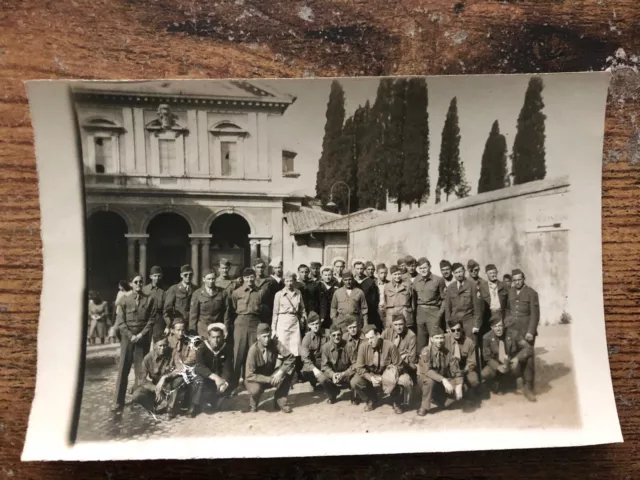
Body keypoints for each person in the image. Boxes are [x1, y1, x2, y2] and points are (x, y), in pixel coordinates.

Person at [112, 273, 157, 413]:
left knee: (141, 371)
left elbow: (151, 320)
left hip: (141, 339)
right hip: (128, 339)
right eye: (136, 282)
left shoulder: (149, 300)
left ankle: (138, 399)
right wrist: (131, 335)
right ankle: (118, 402)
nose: (139, 284)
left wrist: (141, 335)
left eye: (141, 282)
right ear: (131, 284)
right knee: (123, 370)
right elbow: (120, 321)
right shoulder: (124, 300)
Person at [351, 325, 408, 414]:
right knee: (355, 381)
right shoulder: (363, 347)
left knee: (403, 380)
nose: (370, 341)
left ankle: (396, 402)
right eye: (368, 339)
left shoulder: (390, 346)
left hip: (388, 374)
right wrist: (370, 378)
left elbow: (399, 366)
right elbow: (359, 367)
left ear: (378, 335)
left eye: (372, 338)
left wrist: (386, 377)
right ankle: (371, 399)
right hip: (372, 374)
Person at [229, 267, 268, 391]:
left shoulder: (260, 292)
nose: (250, 280)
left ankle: (253, 381)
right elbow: (233, 306)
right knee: (238, 353)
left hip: (255, 322)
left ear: (255, 277)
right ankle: (234, 383)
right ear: (244, 279)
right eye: (247, 277)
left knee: (254, 351)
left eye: (252, 277)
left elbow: (263, 308)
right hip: (241, 321)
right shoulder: (237, 292)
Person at [481, 314, 535, 402]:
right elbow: (487, 358)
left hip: (512, 366)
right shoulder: (486, 338)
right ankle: (497, 384)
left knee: (528, 357)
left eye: (500, 326)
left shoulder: (514, 334)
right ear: (491, 327)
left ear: (504, 325)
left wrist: (517, 358)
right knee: (485, 373)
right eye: (495, 326)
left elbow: (528, 348)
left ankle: (528, 388)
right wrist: (498, 367)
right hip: (498, 368)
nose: (498, 329)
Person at [244, 323, 296, 413]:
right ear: (258, 337)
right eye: (264, 337)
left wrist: (280, 372)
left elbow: (291, 358)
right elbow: (250, 375)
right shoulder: (253, 350)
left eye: (269, 336)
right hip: (256, 380)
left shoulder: (275, 343)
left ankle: (280, 400)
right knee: (255, 389)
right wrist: (269, 379)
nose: (267, 339)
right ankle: (253, 403)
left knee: (290, 369)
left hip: (271, 375)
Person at [505, 269, 540, 401]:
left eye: (519, 279)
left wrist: (531, 331)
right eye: (514, 280)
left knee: (528, 359)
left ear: (524, 279)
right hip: (514, 331)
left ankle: (528, 387)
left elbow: (535, 315)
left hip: (526, 333)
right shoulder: (511, 292)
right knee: (514, 356)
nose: (517, 282)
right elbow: (508, 310)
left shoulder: (531, 293)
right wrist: (508, 324)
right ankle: (512, 383)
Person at [416, 326, 463, 416]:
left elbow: (456, 371)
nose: (440, 340)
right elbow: (428, 371)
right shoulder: (426, 351)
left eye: (441, 337)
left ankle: (437, 398)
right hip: (425, 379)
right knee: (430, 381)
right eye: (437, 338)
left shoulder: (447, 353)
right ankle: (424, 406)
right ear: (432, 339)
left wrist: (459, 385)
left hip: (440, 380)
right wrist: (444, 380)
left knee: (459, 390)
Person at [130, 337, 175, 414]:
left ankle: (169, 406)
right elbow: (141, 379)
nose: (162, 348)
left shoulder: (172, 354)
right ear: (154, 346)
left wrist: (165, 377)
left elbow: (177, 370)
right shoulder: (148, 358)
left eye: (164, 345)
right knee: (136, 395)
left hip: (169, 386)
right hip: (155, 386)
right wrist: (155, 389)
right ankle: (152, 407)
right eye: (160, 346)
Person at [272, 272, 306, 370]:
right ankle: (280, 371)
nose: (289, 283)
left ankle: (293, 372)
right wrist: (273, 329)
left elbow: (302, 309)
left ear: (294, 281)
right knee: (282, 346)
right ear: (284, 282)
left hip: (294, 321)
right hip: (282, 322)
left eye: (291, 281)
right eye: (287, 281)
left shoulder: (298, 293)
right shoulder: (278, 295)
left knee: (295, 347)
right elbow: (275, 313)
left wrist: (304, 320)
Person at [381, 313, 417, 407]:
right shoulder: (387, 332)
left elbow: (411, 358)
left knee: (405, 381)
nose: (398, 327)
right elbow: (380, 348)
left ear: (405, 324)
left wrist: (396, 358)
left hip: (403, 366)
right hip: (386, 365)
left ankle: (398, 402)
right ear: (392, 325)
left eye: (401, 324)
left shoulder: (411, 336)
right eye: (396, 325)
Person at [412, 257, 446, 353]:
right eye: (421, 268)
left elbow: (444, 300)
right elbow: (413, 298)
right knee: (421, 341)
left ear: (429, 267)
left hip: (433, 311)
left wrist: (439, 315)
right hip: (420, 312)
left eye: (425, 267)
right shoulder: (416, 280)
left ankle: (437, 364)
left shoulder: (439, 280)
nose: (423, 270)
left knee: (435, 340)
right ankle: (423, 364)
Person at [443, 263, 483, 339]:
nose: (459, 275)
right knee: (456, 346)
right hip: (455, 322)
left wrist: (476, 325)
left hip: (468, 321)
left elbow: (478, 308)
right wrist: (448, 325)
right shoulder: (450, 288)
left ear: (464, 271)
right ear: (453, 274)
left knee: (471, 345)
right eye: (456, 273)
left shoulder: (472, 286)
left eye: (460, 272)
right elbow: (447, 308)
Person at [321, 324, 356, 403]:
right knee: (322, 378)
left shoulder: (349, 346)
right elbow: (324, 366)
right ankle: (333, 394)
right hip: (334, 375)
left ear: (342, 335)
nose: (336, 337)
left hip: (347, 374)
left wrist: (344, 374)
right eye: (334, 335)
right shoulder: (325, 347)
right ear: (330, 336)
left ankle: (354, 396)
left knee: (357, 377)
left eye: (338, 334)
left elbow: (355, 364)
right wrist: (332, 374)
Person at [201, 324, 233, 410]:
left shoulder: (226, 348)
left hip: (219, 380)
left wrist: (224, 381)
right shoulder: (202, 347)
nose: (216, 340)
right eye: (213, 337)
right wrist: (214, 377)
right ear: (209, 338)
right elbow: (199, 366)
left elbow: (227, 367)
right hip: (207, 378)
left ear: (223, 337)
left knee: (223, 407)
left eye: (218, 337)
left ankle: (217, 399)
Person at [189, 269, 229, 338]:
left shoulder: (222, 292)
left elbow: (226, 312)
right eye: (209, 279)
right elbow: (193, 315)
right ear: (204, 279)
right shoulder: (197, 294)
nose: (211, 281)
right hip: (202, 329)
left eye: (213, 279)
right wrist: (192, 331)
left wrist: (226, 328)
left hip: (217, 328)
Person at [445, 318, 479, 398]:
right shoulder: (444, 340)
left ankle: (468, 393)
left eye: (458, 330)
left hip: (464, 370)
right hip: (450, 371)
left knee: (474, 380)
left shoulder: (469, 342)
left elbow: (472, 362)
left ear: (462, 329)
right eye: (453, 330)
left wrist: (462, 372)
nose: (456, 332)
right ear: (449, 331)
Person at [299, 313, 331, 390]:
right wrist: (315, 370)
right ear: (309, 326)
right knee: (305, 371)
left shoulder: (327, 333)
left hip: (327, 362)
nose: (315, 326)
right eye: (312, 324)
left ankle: (327, 380)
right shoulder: (306, 339)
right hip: (315, 363)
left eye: (317, 323)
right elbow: (305, 359)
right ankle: (315, 383)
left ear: (320, 323)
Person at [382, 265, 415, 331]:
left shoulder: (408, 285)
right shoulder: (387, 287)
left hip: (405, 315)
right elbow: (385, 303)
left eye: (399, 274)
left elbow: (413, 303)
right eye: (395, 274)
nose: (397, 276)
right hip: (392, 316)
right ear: (391, 274)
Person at [164, 265, 197, 329]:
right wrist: (169, 324)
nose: (188, 277)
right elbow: (167, 310)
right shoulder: (174, 289)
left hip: (192, 323)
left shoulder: (196, 289)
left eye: (190, 274)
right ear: (181, 275)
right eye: (185, 275)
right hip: (178, 324)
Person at [353, 259, 381, 331]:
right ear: (354, 269)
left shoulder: (370, 282)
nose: (359, 271)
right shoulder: (351, 281)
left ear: (364, 269)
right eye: (357, 269)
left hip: (368, 312)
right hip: (354, 312)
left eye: (361, 269)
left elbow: (375, 299)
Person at [142, 266, 166, 342]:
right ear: (151, 277)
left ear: (161, 276)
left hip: (159, 318)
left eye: (159, 276)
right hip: (147, 318)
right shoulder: (145, 290)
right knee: (145, 341)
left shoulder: (164, 291)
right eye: (155, 276)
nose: (157, 278)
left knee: (159, 341)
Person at [264, 257, 285, 325]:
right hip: (272, 307)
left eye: (279, 267)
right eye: (276, 268)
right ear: (273, 269)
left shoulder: (284, 281)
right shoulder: (269, 281)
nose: (278, 270)